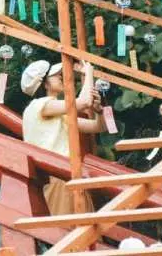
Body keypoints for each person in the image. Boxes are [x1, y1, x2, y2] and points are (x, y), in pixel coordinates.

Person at [21, 60, 104, 215]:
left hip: (67, 175)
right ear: (44, 84)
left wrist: (99, 112)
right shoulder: (39, 105)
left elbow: (97, 127)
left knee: (78, 230)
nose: (60, 76)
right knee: (68, 231)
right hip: (57, 176)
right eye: (55, 75)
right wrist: (88, 72)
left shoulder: (55, 112)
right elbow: (84, 102)